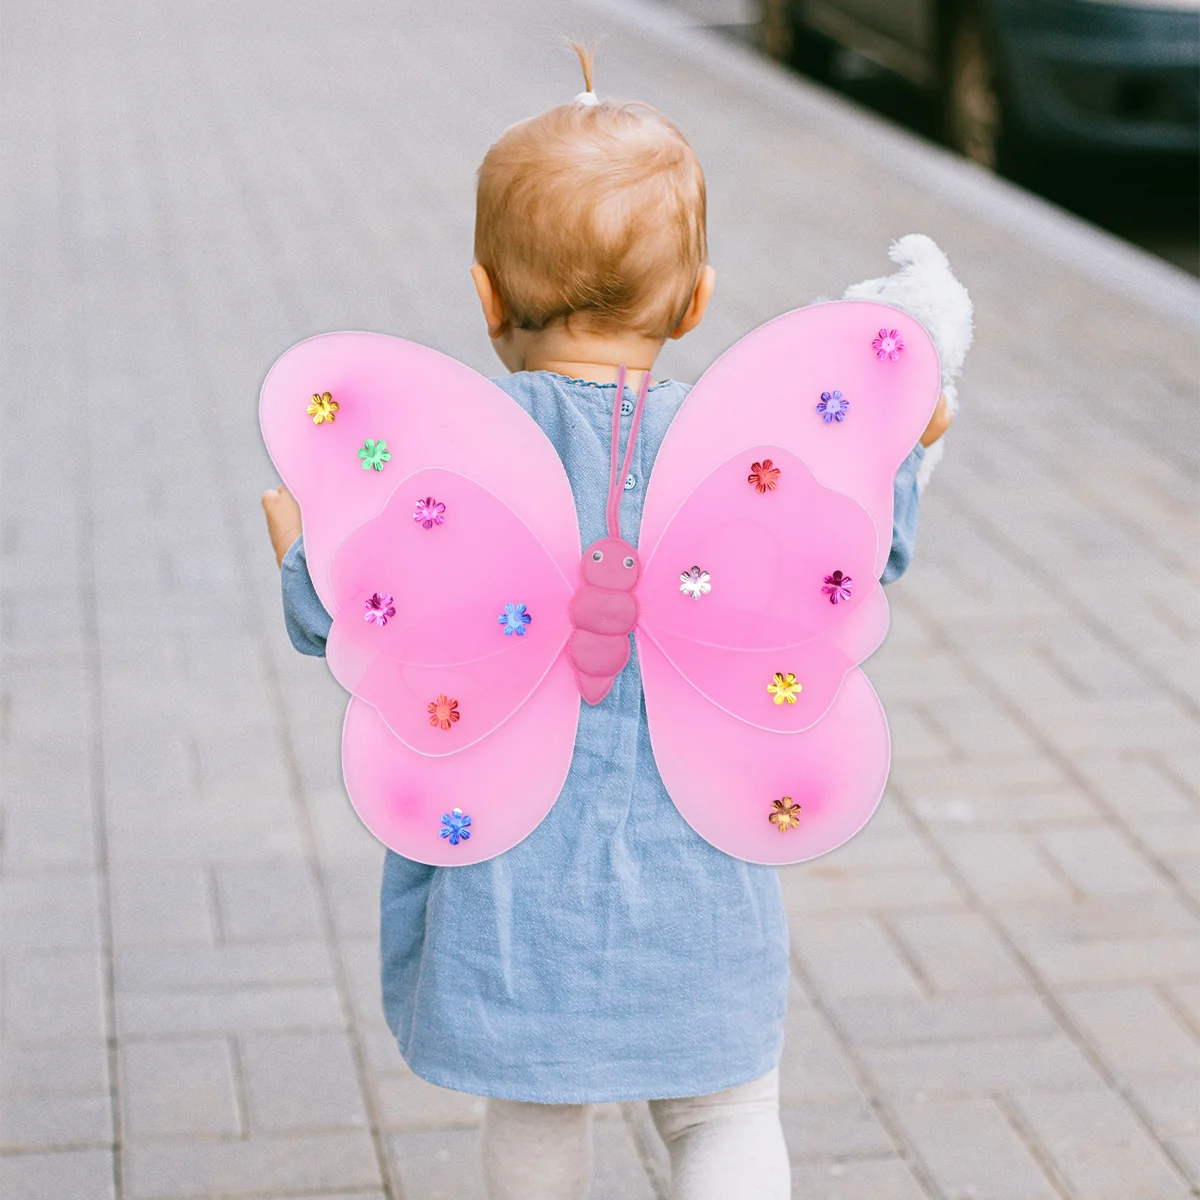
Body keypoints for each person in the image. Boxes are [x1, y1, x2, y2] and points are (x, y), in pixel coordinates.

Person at [261, 44, 952, 1200]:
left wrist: (298, 543)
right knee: (725, 1108)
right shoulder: (743, 452)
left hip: (514, 865)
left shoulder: (450, 457)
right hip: (704, 849)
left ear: (485, 298)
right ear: (694, 301)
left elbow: (342, 624)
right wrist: (908, 454)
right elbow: (863, 562)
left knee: (535, 1106)